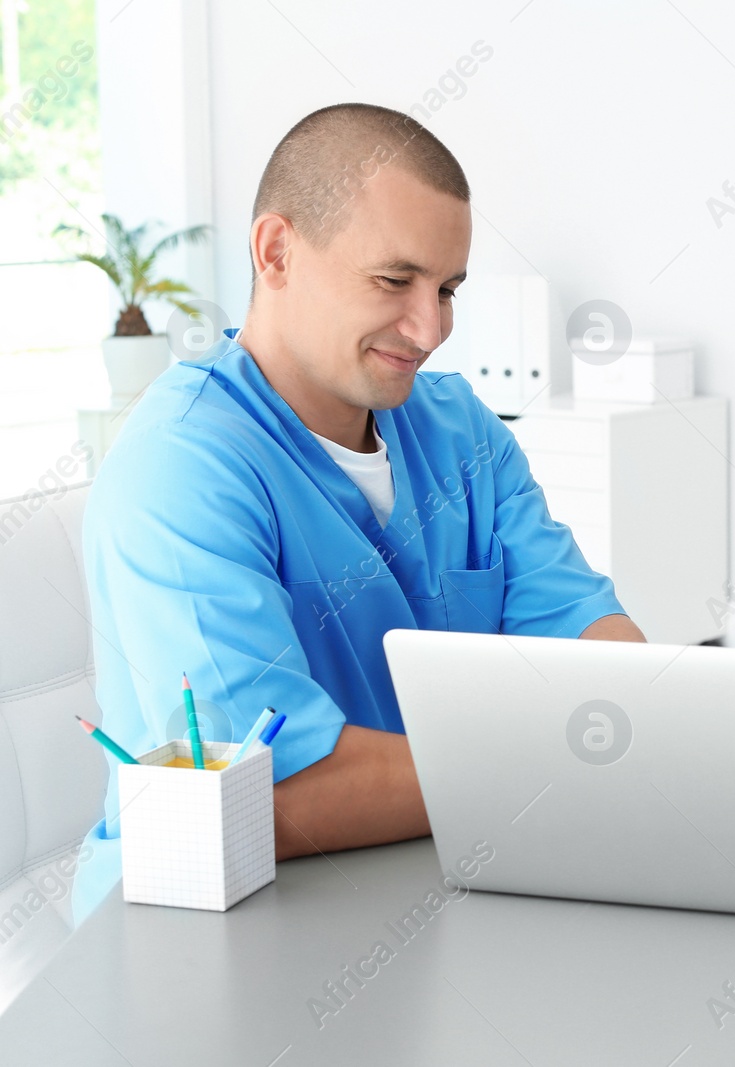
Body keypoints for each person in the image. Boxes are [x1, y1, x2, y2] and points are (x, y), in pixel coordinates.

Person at [72, 103, 643, 921]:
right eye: (394, 280)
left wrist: (643, 716)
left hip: (436, 876)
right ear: (276, 252)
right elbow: (274, 791)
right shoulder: (183, 465)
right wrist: (568, 752)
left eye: (447, 289)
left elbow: (602, 651)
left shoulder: (461, 431)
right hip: (217, 925)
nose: (431, 327)